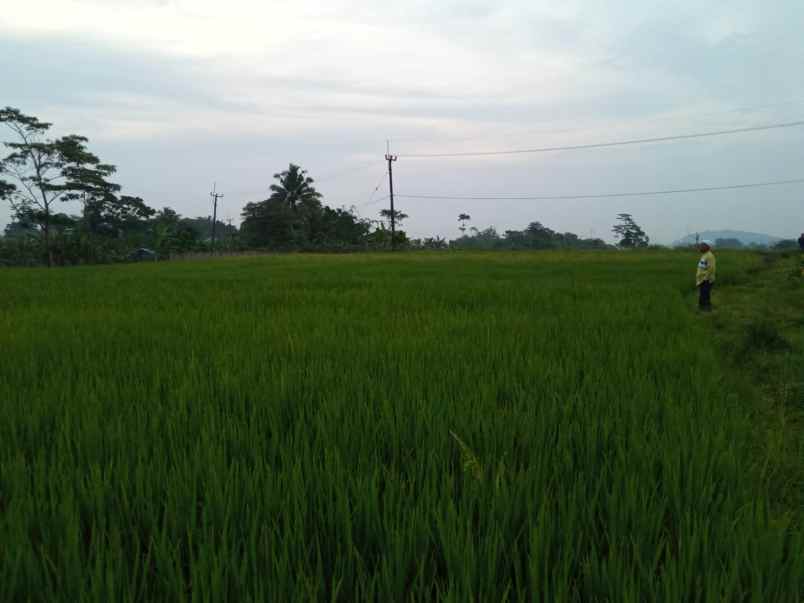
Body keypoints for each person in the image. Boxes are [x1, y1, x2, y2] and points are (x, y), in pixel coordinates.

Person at [696, 240, 716, 311]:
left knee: (705, 295)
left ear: (707, 247)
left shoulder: (710, 256)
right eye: (700, 245)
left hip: (706, 280)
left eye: (702, 245)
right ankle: (701, 308)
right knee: (702, 294)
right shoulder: (704, 255)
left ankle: (707, 309)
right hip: (702, 279)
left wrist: (705, 278)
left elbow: (711, 268)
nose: (700, 247)